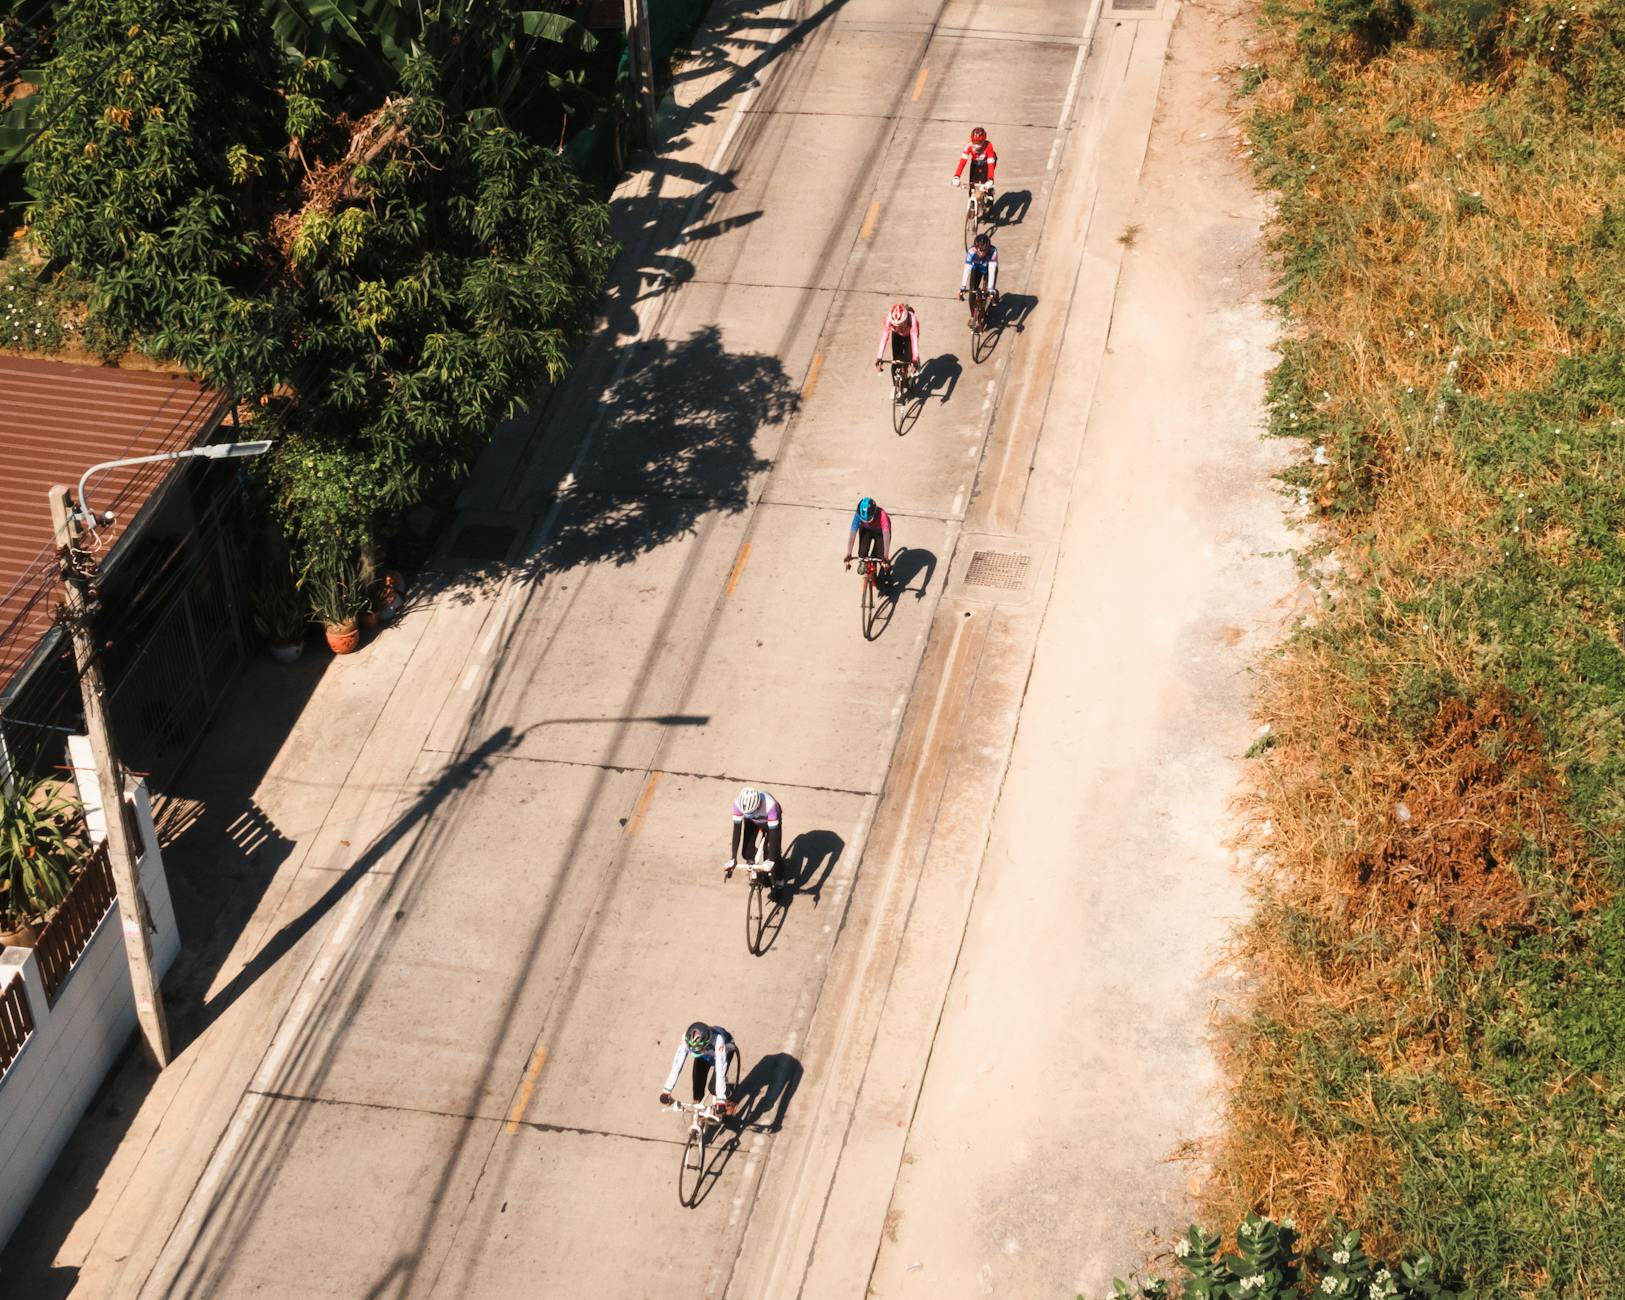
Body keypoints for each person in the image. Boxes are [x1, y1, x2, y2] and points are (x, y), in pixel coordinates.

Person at [659, 1021, 736, 1115]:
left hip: (724, 1052)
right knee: (697, 1081)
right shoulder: (686, 1038)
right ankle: (698, 1103)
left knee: (713, 1088)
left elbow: (720, 1070)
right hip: (705, 1053)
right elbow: (677, 1065)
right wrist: (666, 1091)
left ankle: (727, 1098)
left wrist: (720, 1100)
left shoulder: (718, 1040)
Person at [726, 786, 784, 892]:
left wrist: (771, 859)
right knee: (746, 853)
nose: (749, 815)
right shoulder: (737, 804)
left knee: (773, 853)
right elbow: (737, 831)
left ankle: (780, 880)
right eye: (746, 813)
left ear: (759, 804)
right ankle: (755, 855)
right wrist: (733, 857)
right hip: (752, 822)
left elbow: (774, 834)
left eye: (752, 812)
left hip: (770, 822)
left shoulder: (770, 805)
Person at [843, 496, 892, 579]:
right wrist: (849, 553)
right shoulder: (858, 515)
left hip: (880, 532)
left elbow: (886, 537)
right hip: (866, 530)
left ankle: (887, 574)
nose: (866, 521)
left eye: (869, 519)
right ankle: (863, 562)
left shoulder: (882, 515)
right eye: (863, 520)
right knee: (862, 551)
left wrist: (885, 556)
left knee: (881, 555)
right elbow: (852, 534)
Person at [875, 302, 921, 379]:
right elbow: (884, 338)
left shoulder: (913, 320)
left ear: (906, 320)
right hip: (896, 334)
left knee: (908, 358)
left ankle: (908, 370)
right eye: (895, 326)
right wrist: (879, 358)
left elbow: (914, 340)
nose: (898, 328)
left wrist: (914, 359)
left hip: (910, 335)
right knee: (896, 359)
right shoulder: (888, 319)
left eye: (901, 325)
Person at [960, 233, 999, 315]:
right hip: (977, 269)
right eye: (978, 250)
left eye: (983, 250)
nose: (980, 252)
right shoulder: (971, 251)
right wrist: (963, 286)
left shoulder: (993, 251)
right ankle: (972, 316)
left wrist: (990, 288)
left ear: (988, 248)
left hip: (989, 269)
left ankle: (992, 298)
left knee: (990, 290)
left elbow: (992, 270)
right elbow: (967, 269)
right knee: (972, 291)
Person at [951, 126, 998, 190]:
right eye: (974, 142)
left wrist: (990, 178)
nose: (976, 145)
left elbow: (990, 164)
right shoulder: (968, 146)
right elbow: (962, 162)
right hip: (975, 163)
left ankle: (990, 193)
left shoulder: (989, 146)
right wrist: (957, 176)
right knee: (972, 187)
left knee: (986, 185)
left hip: (986, 163)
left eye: (979, 142)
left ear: (984, 140)